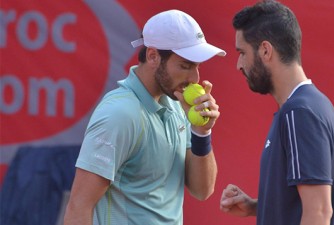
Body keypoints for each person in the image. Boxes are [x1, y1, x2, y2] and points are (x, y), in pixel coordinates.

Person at [64, 9, 226, 225]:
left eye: (196, 66)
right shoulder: (119, 114)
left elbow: (202, 190)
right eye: (185, 66)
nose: (194, 78)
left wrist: (202, 132)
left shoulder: (178, 105)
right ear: (152, 56)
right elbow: (78, 208)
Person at [219, 1, 334, 225]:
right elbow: (305, 204)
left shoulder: (299, 112)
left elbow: (319, 212)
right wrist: (256, 206)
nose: (238, 65)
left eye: (242, 53)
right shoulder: (308, 107)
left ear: (265, 50)